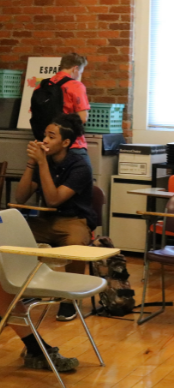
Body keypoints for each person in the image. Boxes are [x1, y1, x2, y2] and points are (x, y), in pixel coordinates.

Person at [16, 113, 96, 322]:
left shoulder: (79, 166)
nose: (45, 140)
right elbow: (20, 196)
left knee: (74, 243)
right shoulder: (44, 161)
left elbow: (53, 200)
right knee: (11, 236)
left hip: (73, 220)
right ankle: (25, 289)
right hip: (45, 221)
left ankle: (70, 299)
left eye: (51, 137)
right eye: (45, 135)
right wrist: (33, 163)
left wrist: (42, 164)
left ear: (66, 142)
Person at [47, 52, 92, 167]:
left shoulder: (44, 85)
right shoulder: (76, 86)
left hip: (48, 144)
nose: (79, 75)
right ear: (75, 69)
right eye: (80, 72)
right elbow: (82, 118)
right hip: (73, 145)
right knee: (83, 180)